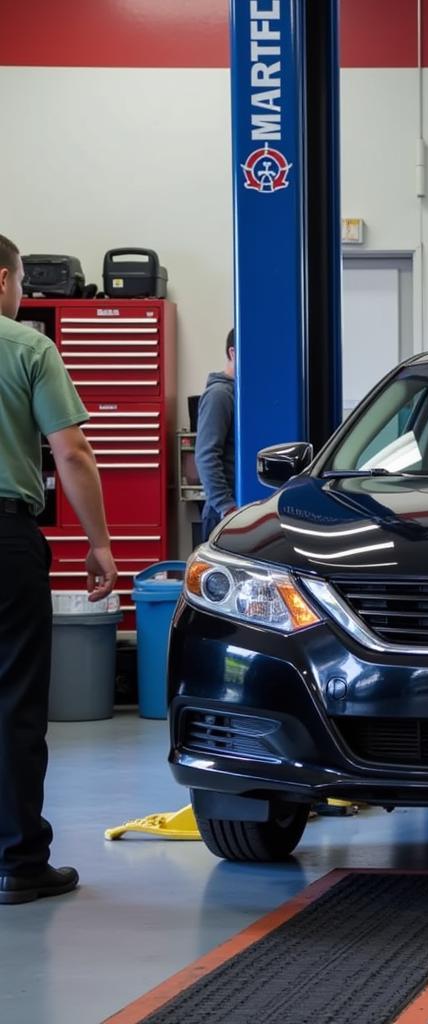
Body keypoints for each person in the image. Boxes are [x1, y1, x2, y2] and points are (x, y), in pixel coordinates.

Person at [0, 233, 117, 905]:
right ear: (0, 281)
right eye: (18, 282)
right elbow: (71, 451)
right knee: (12, 702)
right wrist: (99, 542)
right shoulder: (27, 347)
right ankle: (17, 862)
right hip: (4, 540)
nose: (22, 294)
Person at [196, 328, 237, 540]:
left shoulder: (241, 393)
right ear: (232, 353)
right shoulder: (220, 395)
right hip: (222, 514)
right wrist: (226, 506)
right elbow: (206, 455)